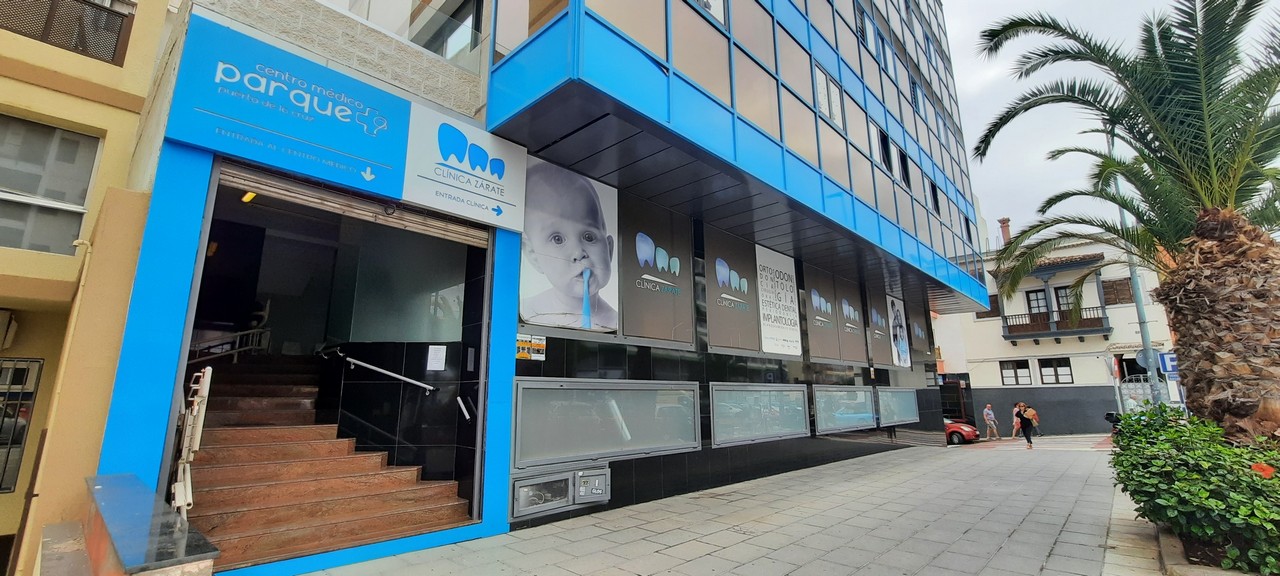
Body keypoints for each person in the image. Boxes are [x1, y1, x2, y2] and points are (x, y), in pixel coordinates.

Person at [520, 162, 617, 331]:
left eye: (589, 237)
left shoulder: (615, 322)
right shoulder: (527, 312)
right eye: (558, 239)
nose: (579, 252)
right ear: (533, 255)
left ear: (609, 250)